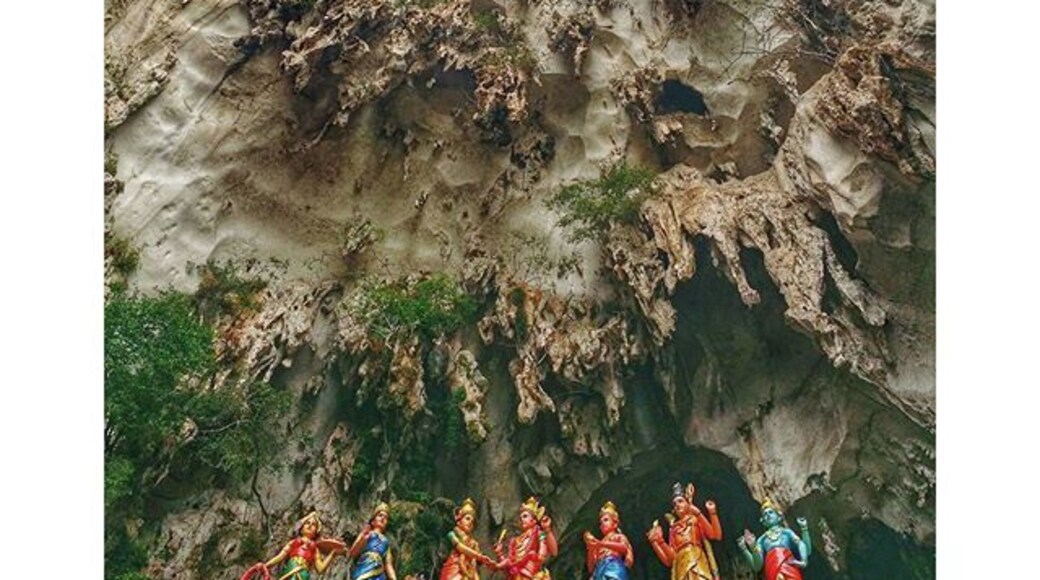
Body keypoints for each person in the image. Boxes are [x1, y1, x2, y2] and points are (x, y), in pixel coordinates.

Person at [647, 482, 723, 580]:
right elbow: (670, 560)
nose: (677, 505)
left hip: (697, 561)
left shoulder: (695, 519)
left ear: (688, 503)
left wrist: (711, 512)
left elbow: (715, 535)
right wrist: (658, 542)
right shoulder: (674, 528)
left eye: (680, 501)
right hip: (681, 566)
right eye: (675, 504)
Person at [243, 511, 341, 580]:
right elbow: (280, 556)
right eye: (307, 523)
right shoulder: (294, 542)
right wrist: (266, 565)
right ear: (301, 528)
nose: (310, 525)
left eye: (313, 524)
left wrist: (332, 554)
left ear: (316, 531)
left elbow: (320, 569)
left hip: (303, 575)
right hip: (289, 570)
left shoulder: (314, 549)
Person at [736, 499, 812, 580]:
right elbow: (757, 566)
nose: (768, 515)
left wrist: (804, 529)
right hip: (772, 569)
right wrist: (749, 548)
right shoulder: (762, 540)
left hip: (789, 567)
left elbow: (805, 548)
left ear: (779, 517)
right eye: (765, 514)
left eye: (771, 512)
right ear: (763, 522)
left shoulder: (786, 533)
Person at [493, 497, 558, 580]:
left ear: (534, 520)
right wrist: (499, 553)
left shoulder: (539, 533)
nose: (522, 519)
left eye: (525, 516)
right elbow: (509, 567)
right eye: (520, 518)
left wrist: (547, 529)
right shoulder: (516, 541)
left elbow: (554, 552)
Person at [440, 498, 497, 580]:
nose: (470, 522)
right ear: (459, 521)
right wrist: (480, 557)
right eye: (467, 518)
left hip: (469, 572)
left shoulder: (473, 543)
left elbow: (475, 564)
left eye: (472, 522)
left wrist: (488, 562)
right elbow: (460, 547)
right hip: (453, 571)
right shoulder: (451, 534)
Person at [583, 501, 633, 580]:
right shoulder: (598, 543)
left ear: (615, 523)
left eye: (606, 520)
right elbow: (591, 568)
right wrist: (591, 548)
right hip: (599, 569)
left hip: (612, 565)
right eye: (601, 523)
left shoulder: (618, 536)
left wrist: (600, 544)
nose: (603, 524)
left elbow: (623, 548)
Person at [348, 502, 398, 580]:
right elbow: (353, 553)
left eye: (386, 518)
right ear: (373, 521)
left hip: (379, 572)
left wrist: (393, 578)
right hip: (364, 567)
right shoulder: (367, 533)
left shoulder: (386, 542)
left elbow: (388, 564)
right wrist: (362, 539)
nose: (383, 518)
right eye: (380, 515)